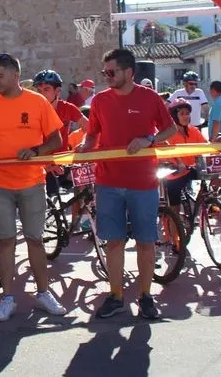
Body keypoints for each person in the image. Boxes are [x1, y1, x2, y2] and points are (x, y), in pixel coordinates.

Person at [78, 48, 177, 320]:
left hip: (142, 182)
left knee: (146, 241)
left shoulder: (150, 97)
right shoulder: (99, 101)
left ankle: (146, 296)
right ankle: (116, 295)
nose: (107, 77)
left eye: (112, 72)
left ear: (129, 72)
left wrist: (150, 139)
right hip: (107, 181)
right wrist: (83, 149)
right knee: (114, 241)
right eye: (105, 72)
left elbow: (171, 129)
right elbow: (92, 136)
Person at [0, 54, 67, 321]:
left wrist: (36, 151)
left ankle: (44, 294)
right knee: (6, 240)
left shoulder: (38, 102)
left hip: (33, 182)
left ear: (15, 76)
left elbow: (56, 139)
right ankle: (7, 298)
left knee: (35, 239)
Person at [32, 70, 89, 193]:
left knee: (86, 183)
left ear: (57, 91)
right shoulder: (32, 112)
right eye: (39, 91)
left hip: (63, 160)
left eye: (46, 90)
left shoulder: (67, 108)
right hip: (41, 163)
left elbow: (90, 128)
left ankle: (82, 212)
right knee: (50, 196)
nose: (41, 94)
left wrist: (84, 143)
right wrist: (46, 166)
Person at [162, 98, 207, 204]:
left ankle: (205, 209)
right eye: (182, 114)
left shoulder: (194, 131)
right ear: (174, 117)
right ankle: (174, 218)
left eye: (187, 113)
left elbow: (206, 146)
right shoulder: (167, 134)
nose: (186, 116)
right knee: (175, 204)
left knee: (212, 182)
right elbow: (165, 153)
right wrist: (176, 164)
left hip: (192, 170)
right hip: (175, 173)